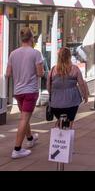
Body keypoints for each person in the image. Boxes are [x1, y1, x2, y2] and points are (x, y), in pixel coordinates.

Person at [5, 27, 44, 159]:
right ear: (32, 38)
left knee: (24, 117)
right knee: (24, 118)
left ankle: (30, 138)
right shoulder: (35, 53)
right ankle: (17, 149)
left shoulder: (13, 53)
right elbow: (40, 73)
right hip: (30, 91)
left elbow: (8, 74)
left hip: (18, 91)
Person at [47, 47, 89, 128]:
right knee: (70, 122)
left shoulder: (52, 70)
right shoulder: (75, 69)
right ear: (69, 56)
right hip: (72, 101)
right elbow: (81, 84)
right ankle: (67, 137)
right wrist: (85, 95)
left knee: (59, 120)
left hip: (56, 103)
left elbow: (48, 86)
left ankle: (58, 137)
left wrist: (54, 94)